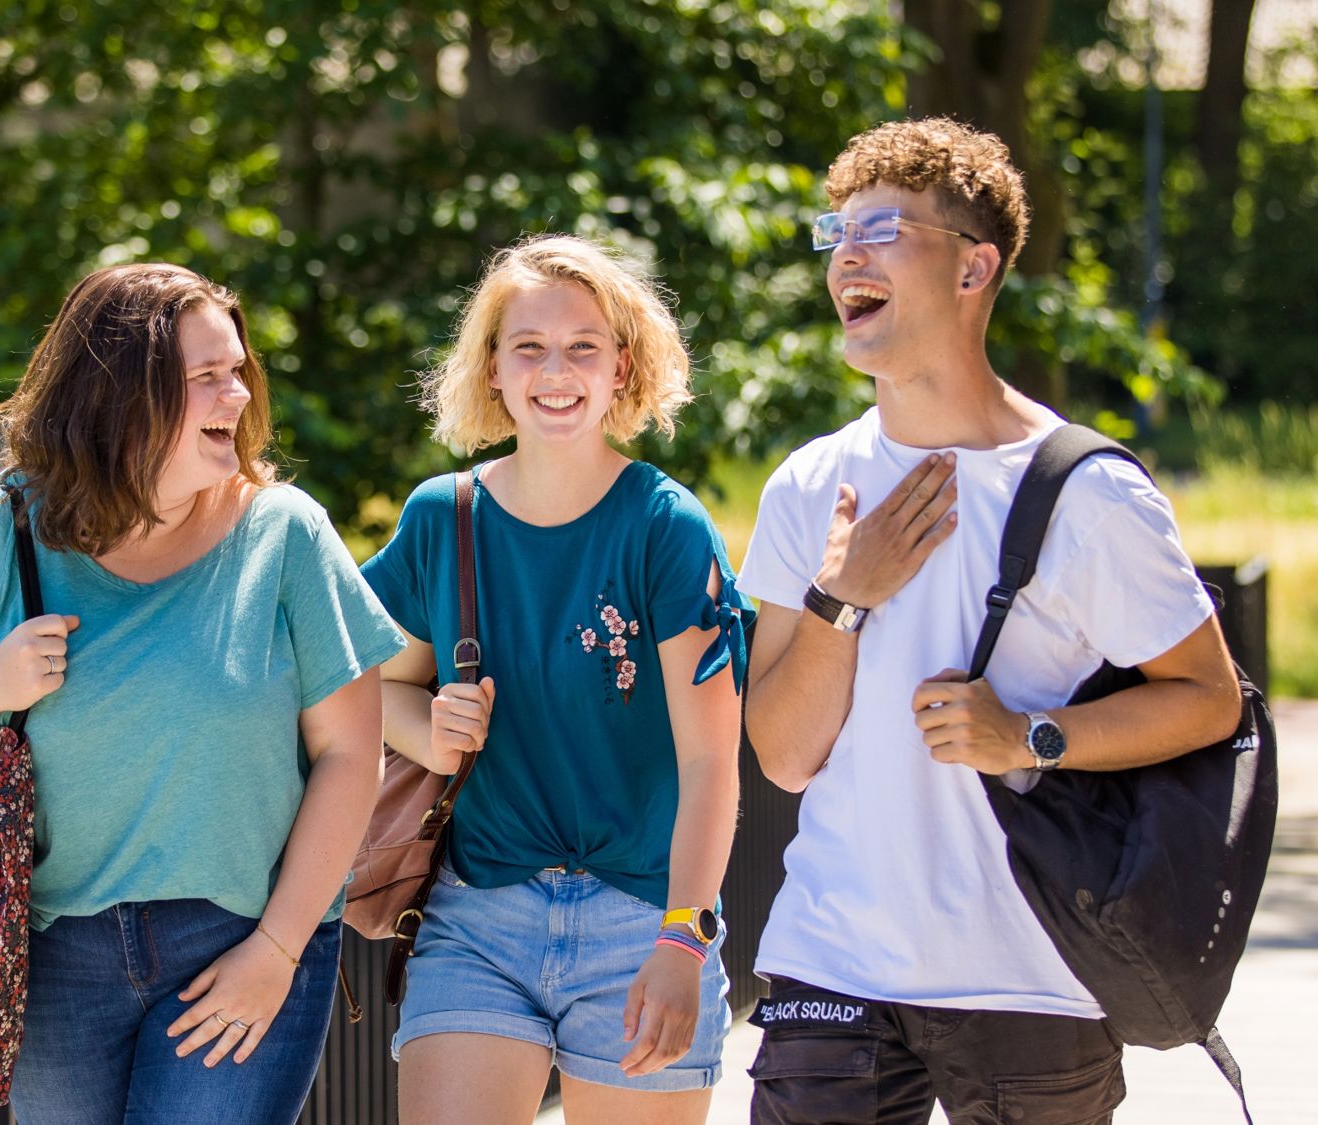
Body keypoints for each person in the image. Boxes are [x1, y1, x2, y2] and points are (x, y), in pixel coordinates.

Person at [738, 118, 1242, 1124]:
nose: (848, 254)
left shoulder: (1087, 493)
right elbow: (784, 758)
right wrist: (844, 599)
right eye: (836, 233)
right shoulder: (810, 485)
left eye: (880, 228)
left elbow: (1208, 700)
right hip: (831, 964)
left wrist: (1027, 736)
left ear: (974, 269)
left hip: (1033, 979)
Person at [0, 263, 405, 1125]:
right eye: (206, 376)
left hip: (244, 942)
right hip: (54, 957)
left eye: (239, 368)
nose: (239, 393)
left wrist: (279, 949)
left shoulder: (286, 533)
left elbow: (350, 754)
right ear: (116, 396)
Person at [360, 234, 753, 1124]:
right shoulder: (443, 516)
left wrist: (684, 939)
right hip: (476, 918)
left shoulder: (666, 526)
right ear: (492, 368)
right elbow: (352, 687)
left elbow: (711, 765)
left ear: (623, 366)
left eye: (583, 347)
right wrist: (425, 728)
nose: (556, 370)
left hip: (644, 920)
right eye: (527, 346)